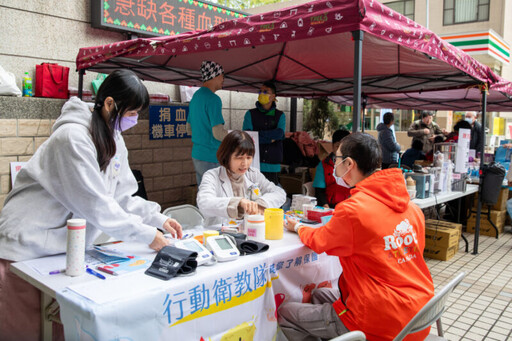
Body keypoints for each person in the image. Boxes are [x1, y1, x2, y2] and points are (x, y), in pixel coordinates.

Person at [0, 70, 183, 340]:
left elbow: (122, 195)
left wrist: (156, 219)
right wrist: (147, 235)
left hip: (61, 252)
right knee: (26, 330)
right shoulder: (72, 138)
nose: (134, 120)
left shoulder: (115, 139)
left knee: (60, 326)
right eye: (131, 112)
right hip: (26, 248)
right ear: (109, 104)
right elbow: (96, 204)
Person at [279, 132, 434, 341]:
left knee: (285, 313)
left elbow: (319, 241)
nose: (334, 166)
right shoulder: (412, 209)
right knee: (318, 294)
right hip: (420, 314)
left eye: (337, 159)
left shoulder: (353, 210)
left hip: (378, 320)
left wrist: (298, 227)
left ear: (349, 164)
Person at [197, 130, 286, 226]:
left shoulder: (253, 174)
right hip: (220, 232)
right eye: (239, 158)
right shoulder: (212, 176)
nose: (245, 163)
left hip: (250, 230)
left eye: (248, 157)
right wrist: (238, 202)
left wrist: (261, 203)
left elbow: (279, 193)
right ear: (227, 156)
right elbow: (204, 203)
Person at [187, 60, 228, 185]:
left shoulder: (195, 97)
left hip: (197, 155)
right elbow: (218, 133)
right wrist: (235, 137)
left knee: (203, 194)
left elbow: (189, 129)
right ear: (214, 76)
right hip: (211, 156)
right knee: (215, 197)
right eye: (222, 75)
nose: (223, 79)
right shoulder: (213, 99)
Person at [242, 81, 285, 185]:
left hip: (273, 165)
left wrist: (258, 135)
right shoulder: (250, 114)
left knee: (271, 195)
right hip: (253, 164)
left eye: (266, 92)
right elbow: (247, 137)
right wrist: (270, 138)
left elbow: (280, 134)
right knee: (253, 195)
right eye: (260, 91)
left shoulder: (280, 115)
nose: (262, 94)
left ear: (273, 96)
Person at [312, 129, 351, 208]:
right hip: (329, 206)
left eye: (344, 147)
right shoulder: (323, 165)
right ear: (332, 146)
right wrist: (326, 207)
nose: (341, 150)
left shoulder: (354, 166)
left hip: (349, 207)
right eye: (337, 146)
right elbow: (319, 191)